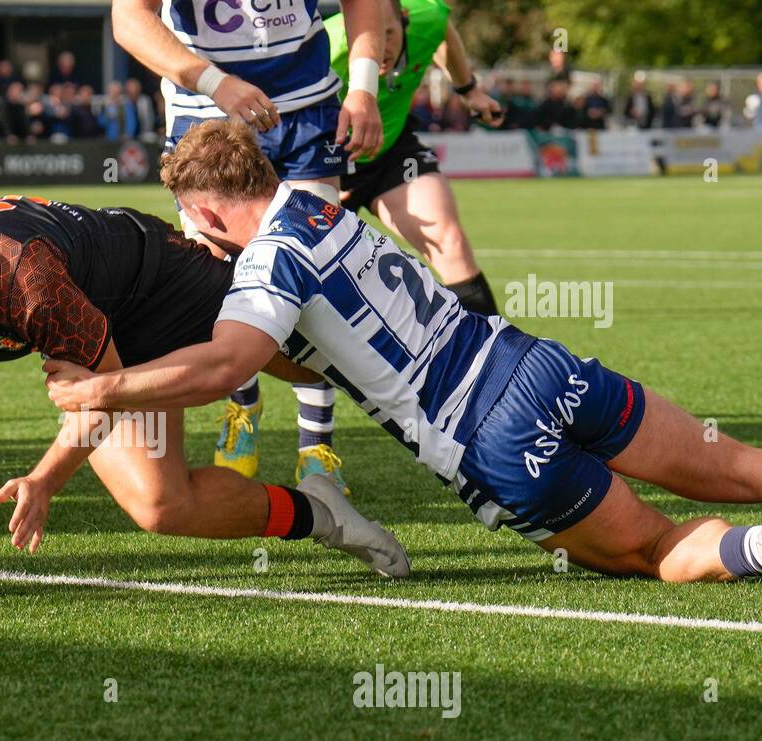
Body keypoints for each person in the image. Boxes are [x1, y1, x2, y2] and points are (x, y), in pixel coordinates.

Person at [45, 119, 762, 585]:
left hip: (486, 440)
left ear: (203, 212)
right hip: (538, 366)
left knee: (655, 552)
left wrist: (97, 392)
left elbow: (226, 367)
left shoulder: (267, 265)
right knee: (735, 467)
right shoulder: (316, 200)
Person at [0, 200, 409, 597]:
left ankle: (455, 391)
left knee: (333, 365)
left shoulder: (20, 276)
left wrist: (44, 479)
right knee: (160, 504)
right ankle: (321, 516)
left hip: (158, 288)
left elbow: (101, 395)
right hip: (94, 343)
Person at [112, 0, 385, 494]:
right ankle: (242, 402)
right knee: (216, 282)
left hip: (305, 109)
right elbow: (129, 18)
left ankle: (316, 446)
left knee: (312, 280)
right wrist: (216, 82)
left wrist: (364, 87)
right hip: (204, 112)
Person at [331, 0, 504, 370]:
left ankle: (496, 367)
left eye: (388, 34)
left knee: (448, 240)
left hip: (392, 155)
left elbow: (443, 32)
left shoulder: (427, 16)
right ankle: (251, 397)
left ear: (404, 21)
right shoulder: (328, 46)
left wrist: (468, 89)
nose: (380, 48)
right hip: (323, 164)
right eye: (369, 38)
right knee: (310, 287)